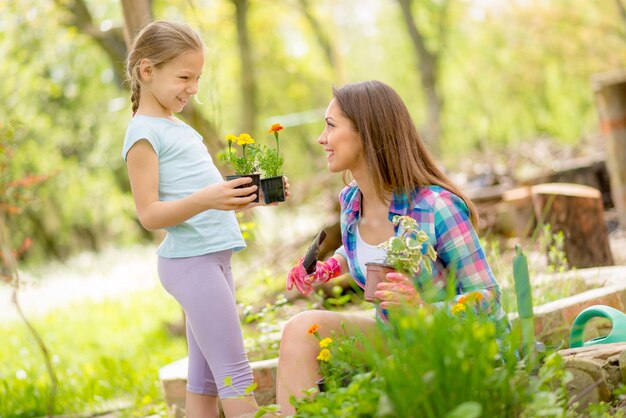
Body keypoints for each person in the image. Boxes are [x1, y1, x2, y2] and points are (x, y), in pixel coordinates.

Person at [276, 80, 507, 414]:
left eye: (330, 126)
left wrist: (422, 309)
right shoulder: (351, 200)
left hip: (456, 343)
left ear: (366, 133)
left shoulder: (436, 207)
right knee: (299, 329)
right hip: (396, 334)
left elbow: (488, 296)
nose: (321, 138)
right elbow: (367, 249)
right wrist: (330, 267)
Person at [122, 20, 288, 418]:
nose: (193, 88)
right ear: (147, 71)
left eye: (197, 78)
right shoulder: (143, 133)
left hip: (212, 257)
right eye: (184, 77)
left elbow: (208, 198)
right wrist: (209, 198)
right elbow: (149, 214)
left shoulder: (178, 128)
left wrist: (249, 198)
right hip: (191, 262)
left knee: (206, 382)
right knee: (234, 372)